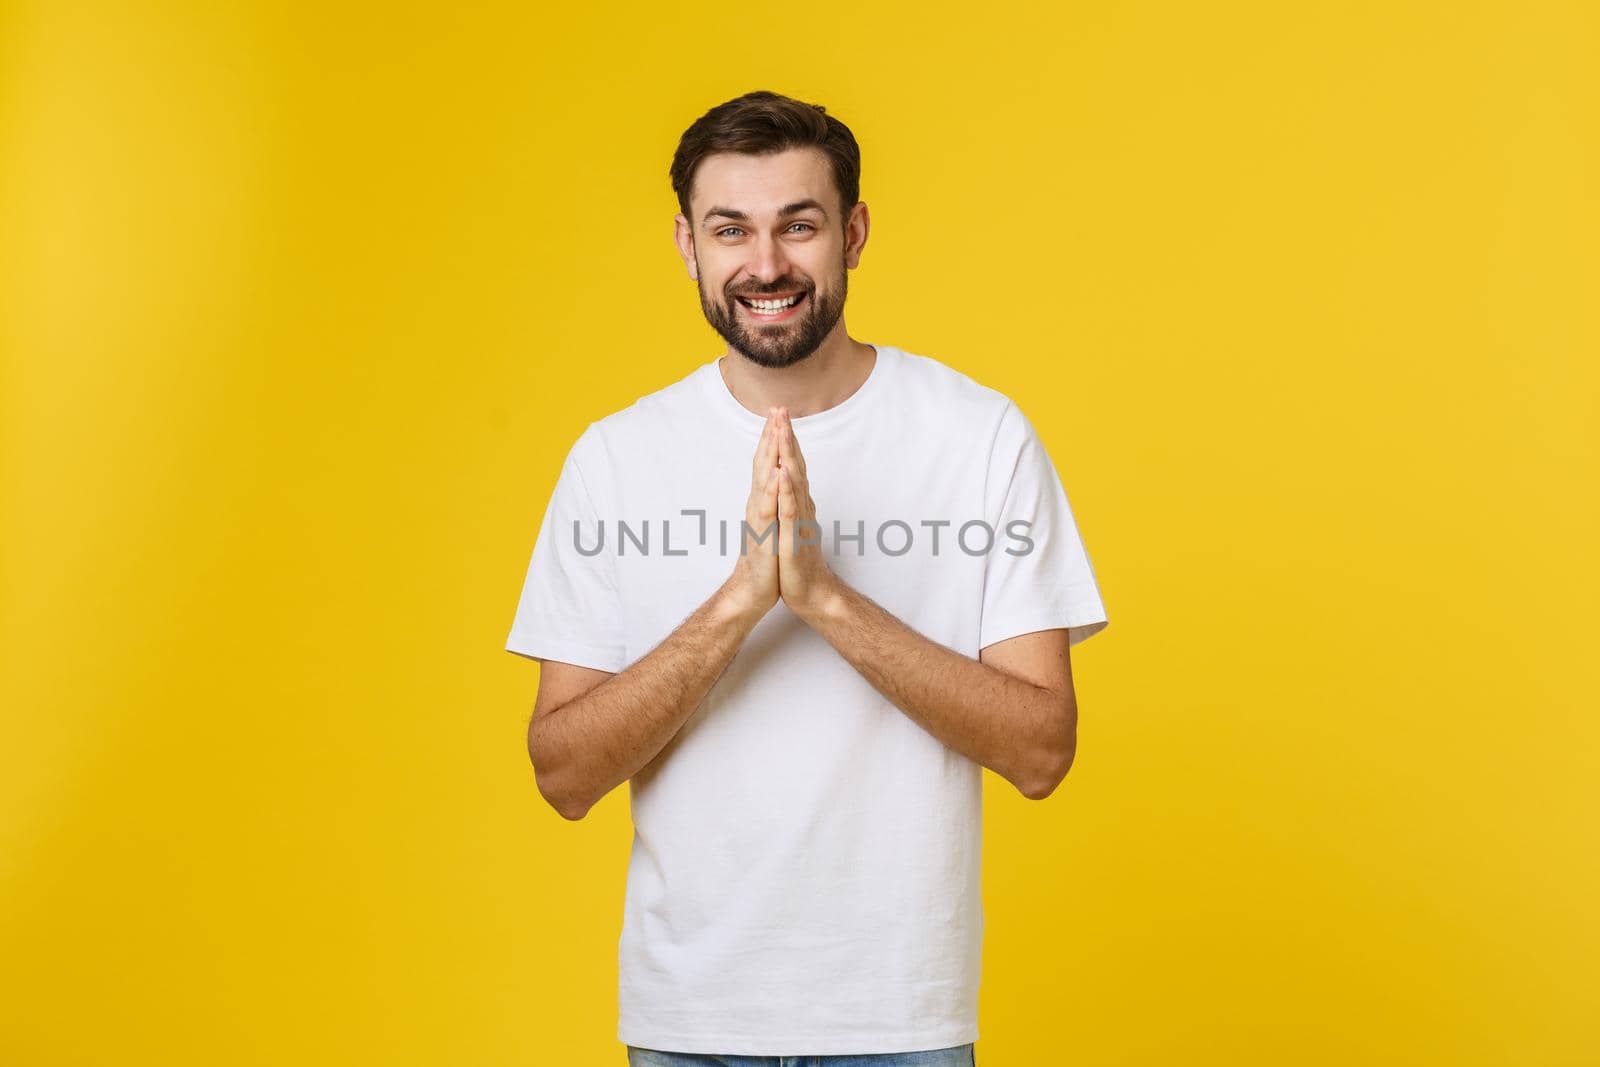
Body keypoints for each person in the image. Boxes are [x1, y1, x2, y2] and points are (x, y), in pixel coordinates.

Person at [505, 90, 1109, 1066]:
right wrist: (741, 602)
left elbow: (1041, 750)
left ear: (853, 232)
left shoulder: (979, 437)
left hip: (900, 1025)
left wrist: (825, 598)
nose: (767, 264)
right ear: (686, 244)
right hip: (689, 1025)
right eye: (730, 228)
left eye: (800, 224)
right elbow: (564, 773)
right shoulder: (614, 459)